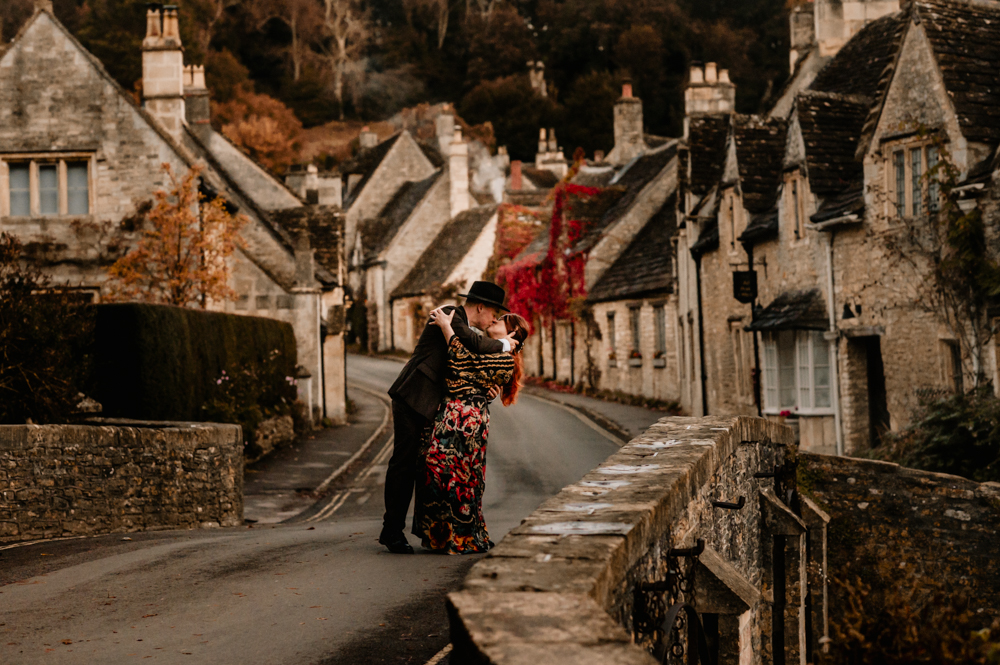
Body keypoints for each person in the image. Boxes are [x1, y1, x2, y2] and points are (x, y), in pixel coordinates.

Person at [381, 281, 520, 554]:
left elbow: (468, 365)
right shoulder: (448, 314)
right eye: (493, 312)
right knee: (404, 463)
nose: (493, 319)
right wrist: (505, 343)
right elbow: (473, 343)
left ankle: (441, 534)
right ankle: (391, 530)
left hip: (435, 407)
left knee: (431, 471)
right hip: (412, 398)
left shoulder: (464, 327)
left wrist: (487, 389)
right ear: (480, 306)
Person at [412, 308, 529, 554]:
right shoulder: (488, 346)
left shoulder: (506, 357)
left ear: (513, 333)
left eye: (501, 320)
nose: (495, 318)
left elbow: (462, 362)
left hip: (467, 424)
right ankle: (440, 536)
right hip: (450, 417)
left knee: (462, 480)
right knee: (438, 474)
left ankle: (464, 537)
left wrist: (446, 328)